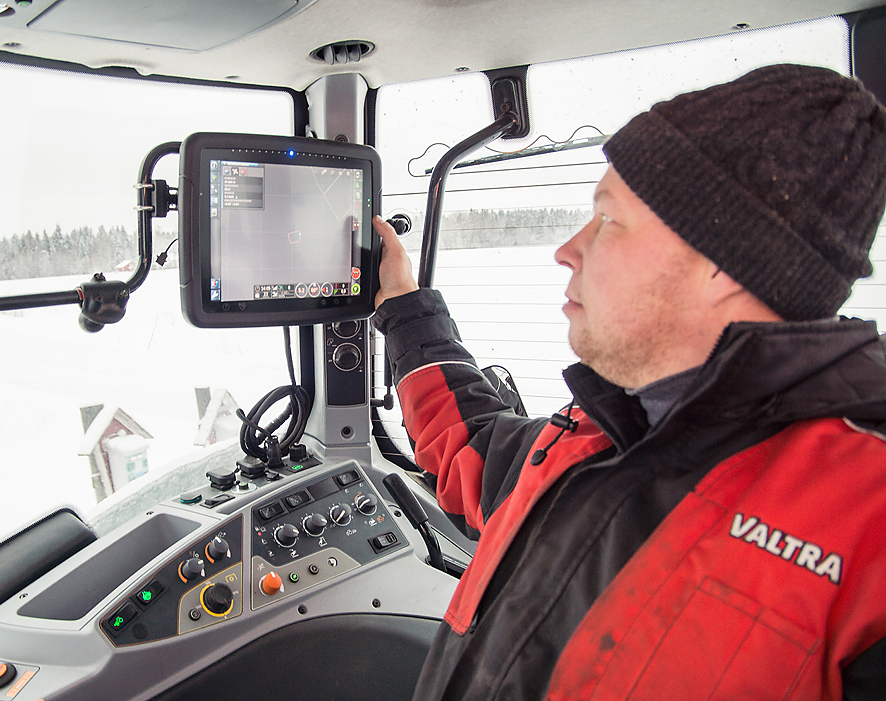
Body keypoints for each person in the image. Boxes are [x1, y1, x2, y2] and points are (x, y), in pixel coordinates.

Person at [371, 63, 886, 700]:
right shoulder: (601, 429)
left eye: (608, 221)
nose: (569, 249)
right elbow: (471, 449)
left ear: (722, 262)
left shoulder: (868, 519)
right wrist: (404, 306)